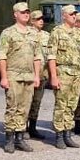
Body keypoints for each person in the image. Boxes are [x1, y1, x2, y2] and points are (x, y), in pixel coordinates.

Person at [0, 2, 42, 154]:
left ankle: (20, 138)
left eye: (27, 12)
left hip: (29, 76)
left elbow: (37, 56)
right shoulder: (8, 33)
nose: (26, 14)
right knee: (12, 107)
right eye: (23, 12)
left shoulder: (33, 33)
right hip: (13, 75)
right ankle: (9, 139)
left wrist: (37, 76)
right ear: (15, 14)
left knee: (25, 108)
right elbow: (2, 56)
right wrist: (3, 77)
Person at [49, 4, 80, 150]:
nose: (74, 16)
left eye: (75, 14)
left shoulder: (79, 34)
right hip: (63, 72)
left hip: (77, 74)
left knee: (72, 105)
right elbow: (51, 56)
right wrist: (53, 76)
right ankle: (59, 135)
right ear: (64, 16)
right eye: (71, 14)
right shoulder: (57, 32)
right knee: (61, 104)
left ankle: (68, 134)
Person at [27, 9, 51, 139]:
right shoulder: (27, 34)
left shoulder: (47, 35)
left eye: (43, 19)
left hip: (43, 74)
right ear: (32, 21)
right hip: (29, 74)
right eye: (38, 19)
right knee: (26, 102)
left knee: (37, 102)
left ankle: (32, 127)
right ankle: (23, 128)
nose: (41, 21)